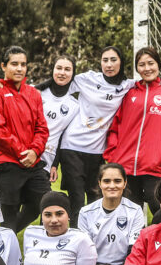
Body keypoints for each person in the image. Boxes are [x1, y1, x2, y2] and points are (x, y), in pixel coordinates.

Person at [104, 47, 161, 222]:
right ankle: (133, 247)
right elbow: (115, 125)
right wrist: (113, 154)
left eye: (150, 63)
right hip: (125, 165)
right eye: (141, 64)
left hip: (154, 166)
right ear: (137, 68)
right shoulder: (129, 93)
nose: (147, 68)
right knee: (130, 214)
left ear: (159, 65)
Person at [0, 45, 50, 233]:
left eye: (23, 64)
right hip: (4, 162)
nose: (19, 68)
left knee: (44, 202)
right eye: (14, 64)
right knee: (8, 214)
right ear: (4, 66)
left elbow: (42, 128)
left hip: (31, 161)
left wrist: (34, 151)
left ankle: (4, 237)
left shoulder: (33, 94)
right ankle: (2, 250)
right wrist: (22, 152)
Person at [58, 46, 135, 220]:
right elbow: (58, 85)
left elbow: (148, 81)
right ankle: (75, 242)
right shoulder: (88, 79)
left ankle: (93, 240)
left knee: (95, 199)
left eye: (113, 60)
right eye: (105, 60)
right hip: (71, 147)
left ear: (121, 62)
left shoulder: (126, 85)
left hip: (97, 151)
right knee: (77, 199)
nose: (108, 64)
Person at [75, 163, 146, 265]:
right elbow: (86, 252)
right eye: (107, 181)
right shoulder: (86, 212)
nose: (112, 185)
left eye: (117, 181)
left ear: (125, 183)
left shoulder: (135, 211)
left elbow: (134, 251)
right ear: (100, 183)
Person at [37, 56, 79, 186]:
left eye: (67, 69)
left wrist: (55, 164)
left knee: (38, 203)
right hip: (27, 155)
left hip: (47, 162)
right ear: (53, 70)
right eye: (59, 68)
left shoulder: (75, 105)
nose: (62, 72)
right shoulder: (37, 92)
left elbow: (62, 137)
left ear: (73, 74)